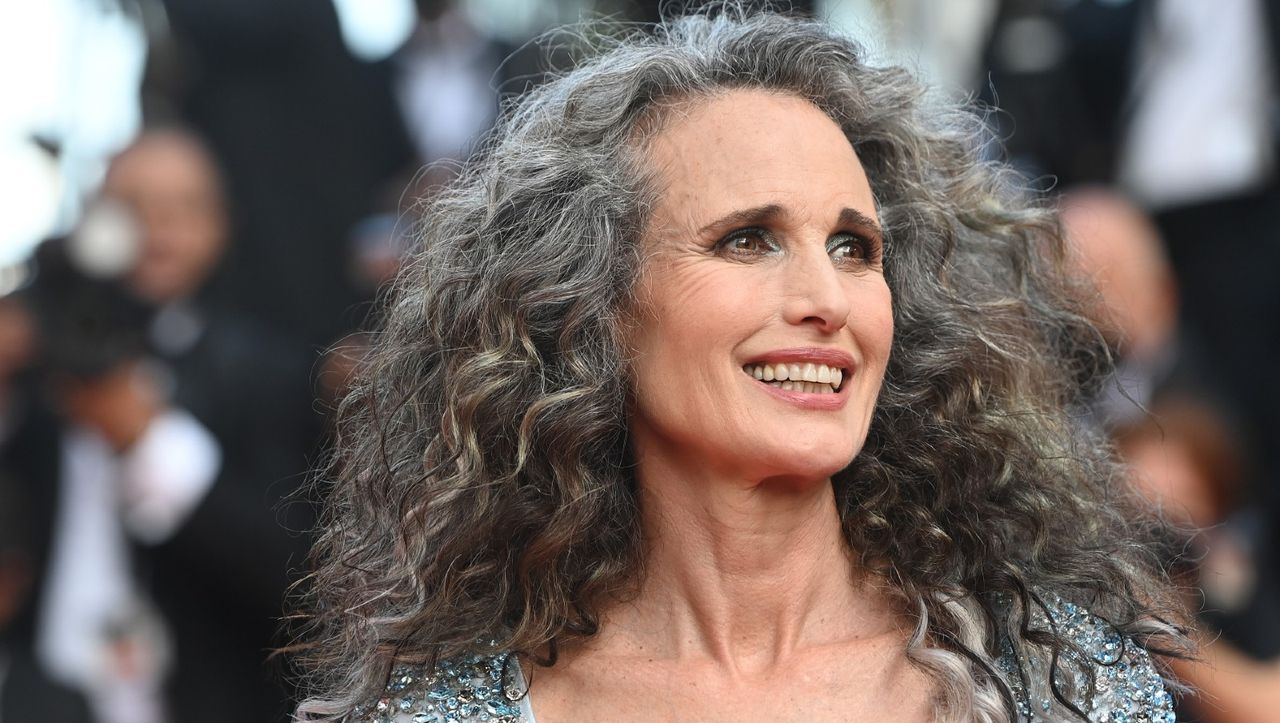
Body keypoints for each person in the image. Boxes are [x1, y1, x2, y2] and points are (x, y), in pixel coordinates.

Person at [291, 9, 1190, 722]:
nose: (826, 300)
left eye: (854, 247)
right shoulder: (437, 714)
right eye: (748, 239)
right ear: (590, 303)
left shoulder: (1063, 686)